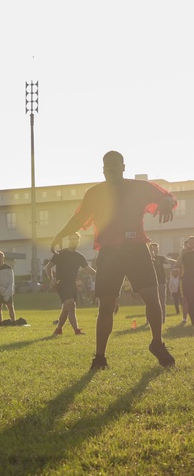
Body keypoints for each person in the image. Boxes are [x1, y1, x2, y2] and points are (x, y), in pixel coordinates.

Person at [50, 151, 177, 369]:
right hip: (109, 254)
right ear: (102, 169)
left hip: (137, 249)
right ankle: (100, 357)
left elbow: (167, 196)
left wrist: (165, 202)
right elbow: (79, 218)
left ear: (123, 166)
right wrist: (60, 234)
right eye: (107, 165)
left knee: (153, 300)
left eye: (115, 165)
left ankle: (157, 343)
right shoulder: (95, 193)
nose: (111, 169)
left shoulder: (138, 186)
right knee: (106, 306)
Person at [49, 232, 95, 336]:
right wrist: (51, 278)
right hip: (61, 283)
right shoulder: (60, 253)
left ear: (78, 241)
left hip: (72, 284)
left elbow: (89, 270)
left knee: (66, 309)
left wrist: (102, 276)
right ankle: (77, 330)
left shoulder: (79, 256)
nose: (73, 241)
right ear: (68, 240)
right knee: (71, 304)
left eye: (75, 239)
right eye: (71, 239)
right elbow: (48, 267)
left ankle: (58, 329)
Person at [0, 251, 15, 324]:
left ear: (3, 257)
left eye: (0, 257)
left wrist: (7, 292)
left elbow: (11, 281)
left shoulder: (8, 267)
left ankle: (13, 321)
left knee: (10, 307)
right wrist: (2, 290)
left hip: (8, 291)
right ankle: (0, 322)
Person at [149, 242, 170, 324]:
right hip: (150, 283)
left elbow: (169, 261)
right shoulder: (146, 259)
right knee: (150, 302)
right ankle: (149, 319)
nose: (155, 250)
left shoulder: (160, 258)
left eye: (157, 249)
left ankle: (162, 319)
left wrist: (179, 261)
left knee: (162, 301)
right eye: (153, 248)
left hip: (161, 282)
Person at [178, 237, 194, 325]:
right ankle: (190, 320)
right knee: (189, 300)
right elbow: (178, 264)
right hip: (187, 279)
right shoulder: (185, 254)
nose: (191, 245)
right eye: (190, 243)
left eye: (193, 243)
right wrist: (182, 253)